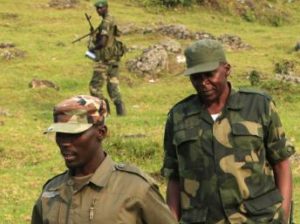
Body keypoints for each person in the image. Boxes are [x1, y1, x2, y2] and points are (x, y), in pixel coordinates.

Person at [161, 39, 295, 224]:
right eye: (196, 77)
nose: (203, 83)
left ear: (227, 69)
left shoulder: (259, 106)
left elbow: (281, 163)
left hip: (258, 219)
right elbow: (174, 178)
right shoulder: (179, 116)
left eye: (210, 75)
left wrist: (283, 216)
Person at [31, 95, 177, 224]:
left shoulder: (135, 188)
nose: (65, 142)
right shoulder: (52, 191)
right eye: (60, 134)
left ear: (101, 132)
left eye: (74, 134)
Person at [88, 0, 126, 116]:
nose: (99, 10)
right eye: (97, 8)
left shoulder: (105, 22)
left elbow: (103, 41)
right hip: (113, 59)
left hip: (104, 60)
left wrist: (93, 48)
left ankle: (105, 111)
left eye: (101, 8)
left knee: (94, 87)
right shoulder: (112, 19)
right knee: (113, 86)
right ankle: (121, 114)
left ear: (106, 7)